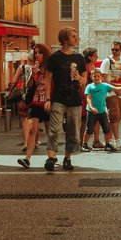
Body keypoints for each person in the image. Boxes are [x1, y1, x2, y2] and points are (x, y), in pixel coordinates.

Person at [43, 27, 87, 172]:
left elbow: (85, 80)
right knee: (54, 129)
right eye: (73, 36)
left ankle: (67, 158)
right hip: (58, 98)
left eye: (76, 36)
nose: (76, 38)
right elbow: (48, 79)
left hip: (74, 99)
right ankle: (51, 157)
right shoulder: (55, 57)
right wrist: (48, 99)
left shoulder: (79, 58)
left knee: (73, 131)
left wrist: (78, 77)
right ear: (65, 40)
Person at [18, 43, 51, 168]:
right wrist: (33, 74)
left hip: (47, 103)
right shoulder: (34, 68)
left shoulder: (50, 69)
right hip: (35, 103)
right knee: (32, 129)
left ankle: (51, 157)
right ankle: (27, 158)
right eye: (35, 53)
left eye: (39, 53)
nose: (37, 55)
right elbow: (29, 86)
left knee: (50, 132)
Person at [84, 62, 121, 153]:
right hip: (92, 111)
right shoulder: (89, 87)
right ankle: (84, 144)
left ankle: (107, 144)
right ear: (91, 77)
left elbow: (115, 88)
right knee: (89, 129)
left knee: (106, 128)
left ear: (101, 77)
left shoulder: (104, 86)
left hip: (102, 111)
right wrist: (91, 107)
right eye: (94, 76)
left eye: (98, 76)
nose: (96, 78)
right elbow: (88, 98)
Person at [100, 41, 121, 148]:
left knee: (119, 116)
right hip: (110, 92)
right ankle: (117, 140)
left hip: (120, 92)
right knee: (114, 115)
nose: (114, 51)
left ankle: (110, 140)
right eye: (112, 49)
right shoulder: (107, 61)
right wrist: (114, 88)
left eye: (116, 50)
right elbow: (103, 78)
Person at [80, 47, 103, 150]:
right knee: (85, 120)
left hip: (95, 96)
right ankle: (81, 142)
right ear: (89, 57)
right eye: (95, 55)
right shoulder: (85, 67)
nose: (97, 56)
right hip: (87, 97)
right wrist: (86, 96)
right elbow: (83, 83)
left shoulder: (93, 66)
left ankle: (96, 141)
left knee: (96, 118)